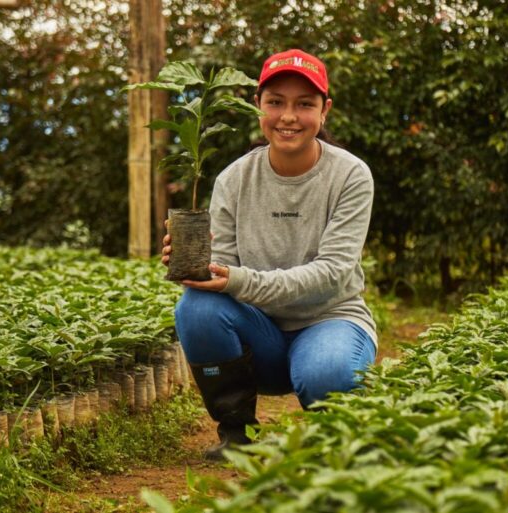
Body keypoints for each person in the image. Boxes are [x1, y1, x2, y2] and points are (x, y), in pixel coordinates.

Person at [161, 48, 377, 460]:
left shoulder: (350, 175)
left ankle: (334, 442)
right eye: (275, 102)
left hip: (329, 321)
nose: (288, 117)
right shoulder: (234, 178)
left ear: (324, 110)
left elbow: (332, 273)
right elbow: (222, 268)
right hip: (260, 335)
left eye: (304, 104)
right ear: (258, 106)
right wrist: (190, 259)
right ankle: (236, 434)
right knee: (196, 307)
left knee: (327, 372)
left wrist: (237, 279)